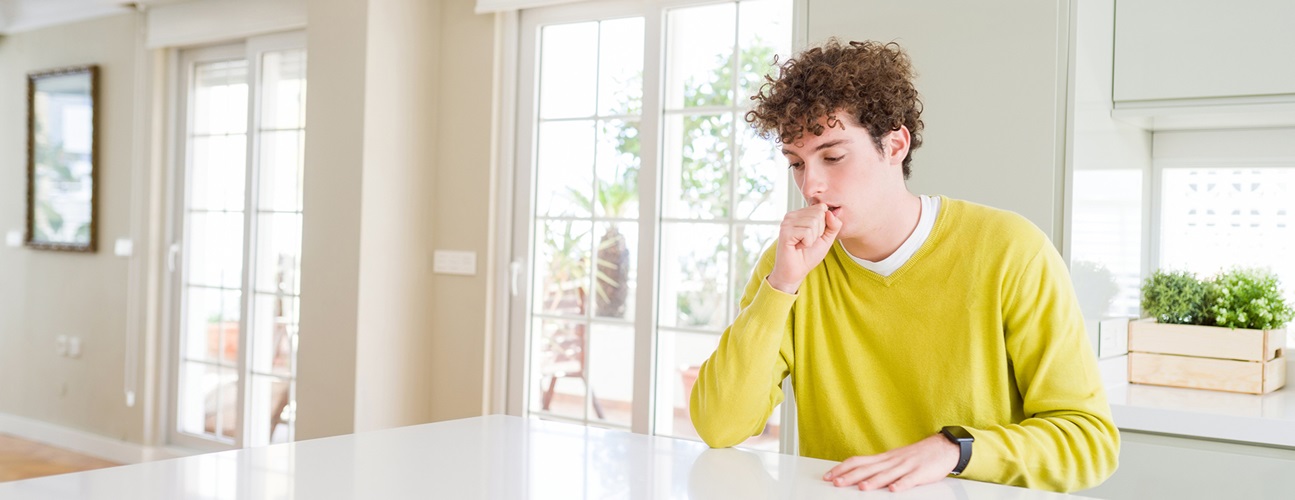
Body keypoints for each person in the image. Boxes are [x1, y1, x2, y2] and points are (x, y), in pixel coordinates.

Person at [688, 39, 1119, 493]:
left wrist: (955, 451)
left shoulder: (1011, 250)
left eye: (833, 156)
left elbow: (1088, 441)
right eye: (797, 163)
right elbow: (720, 425)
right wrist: (781, 286)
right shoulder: (792, 266)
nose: (811, 184)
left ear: (894, 145)